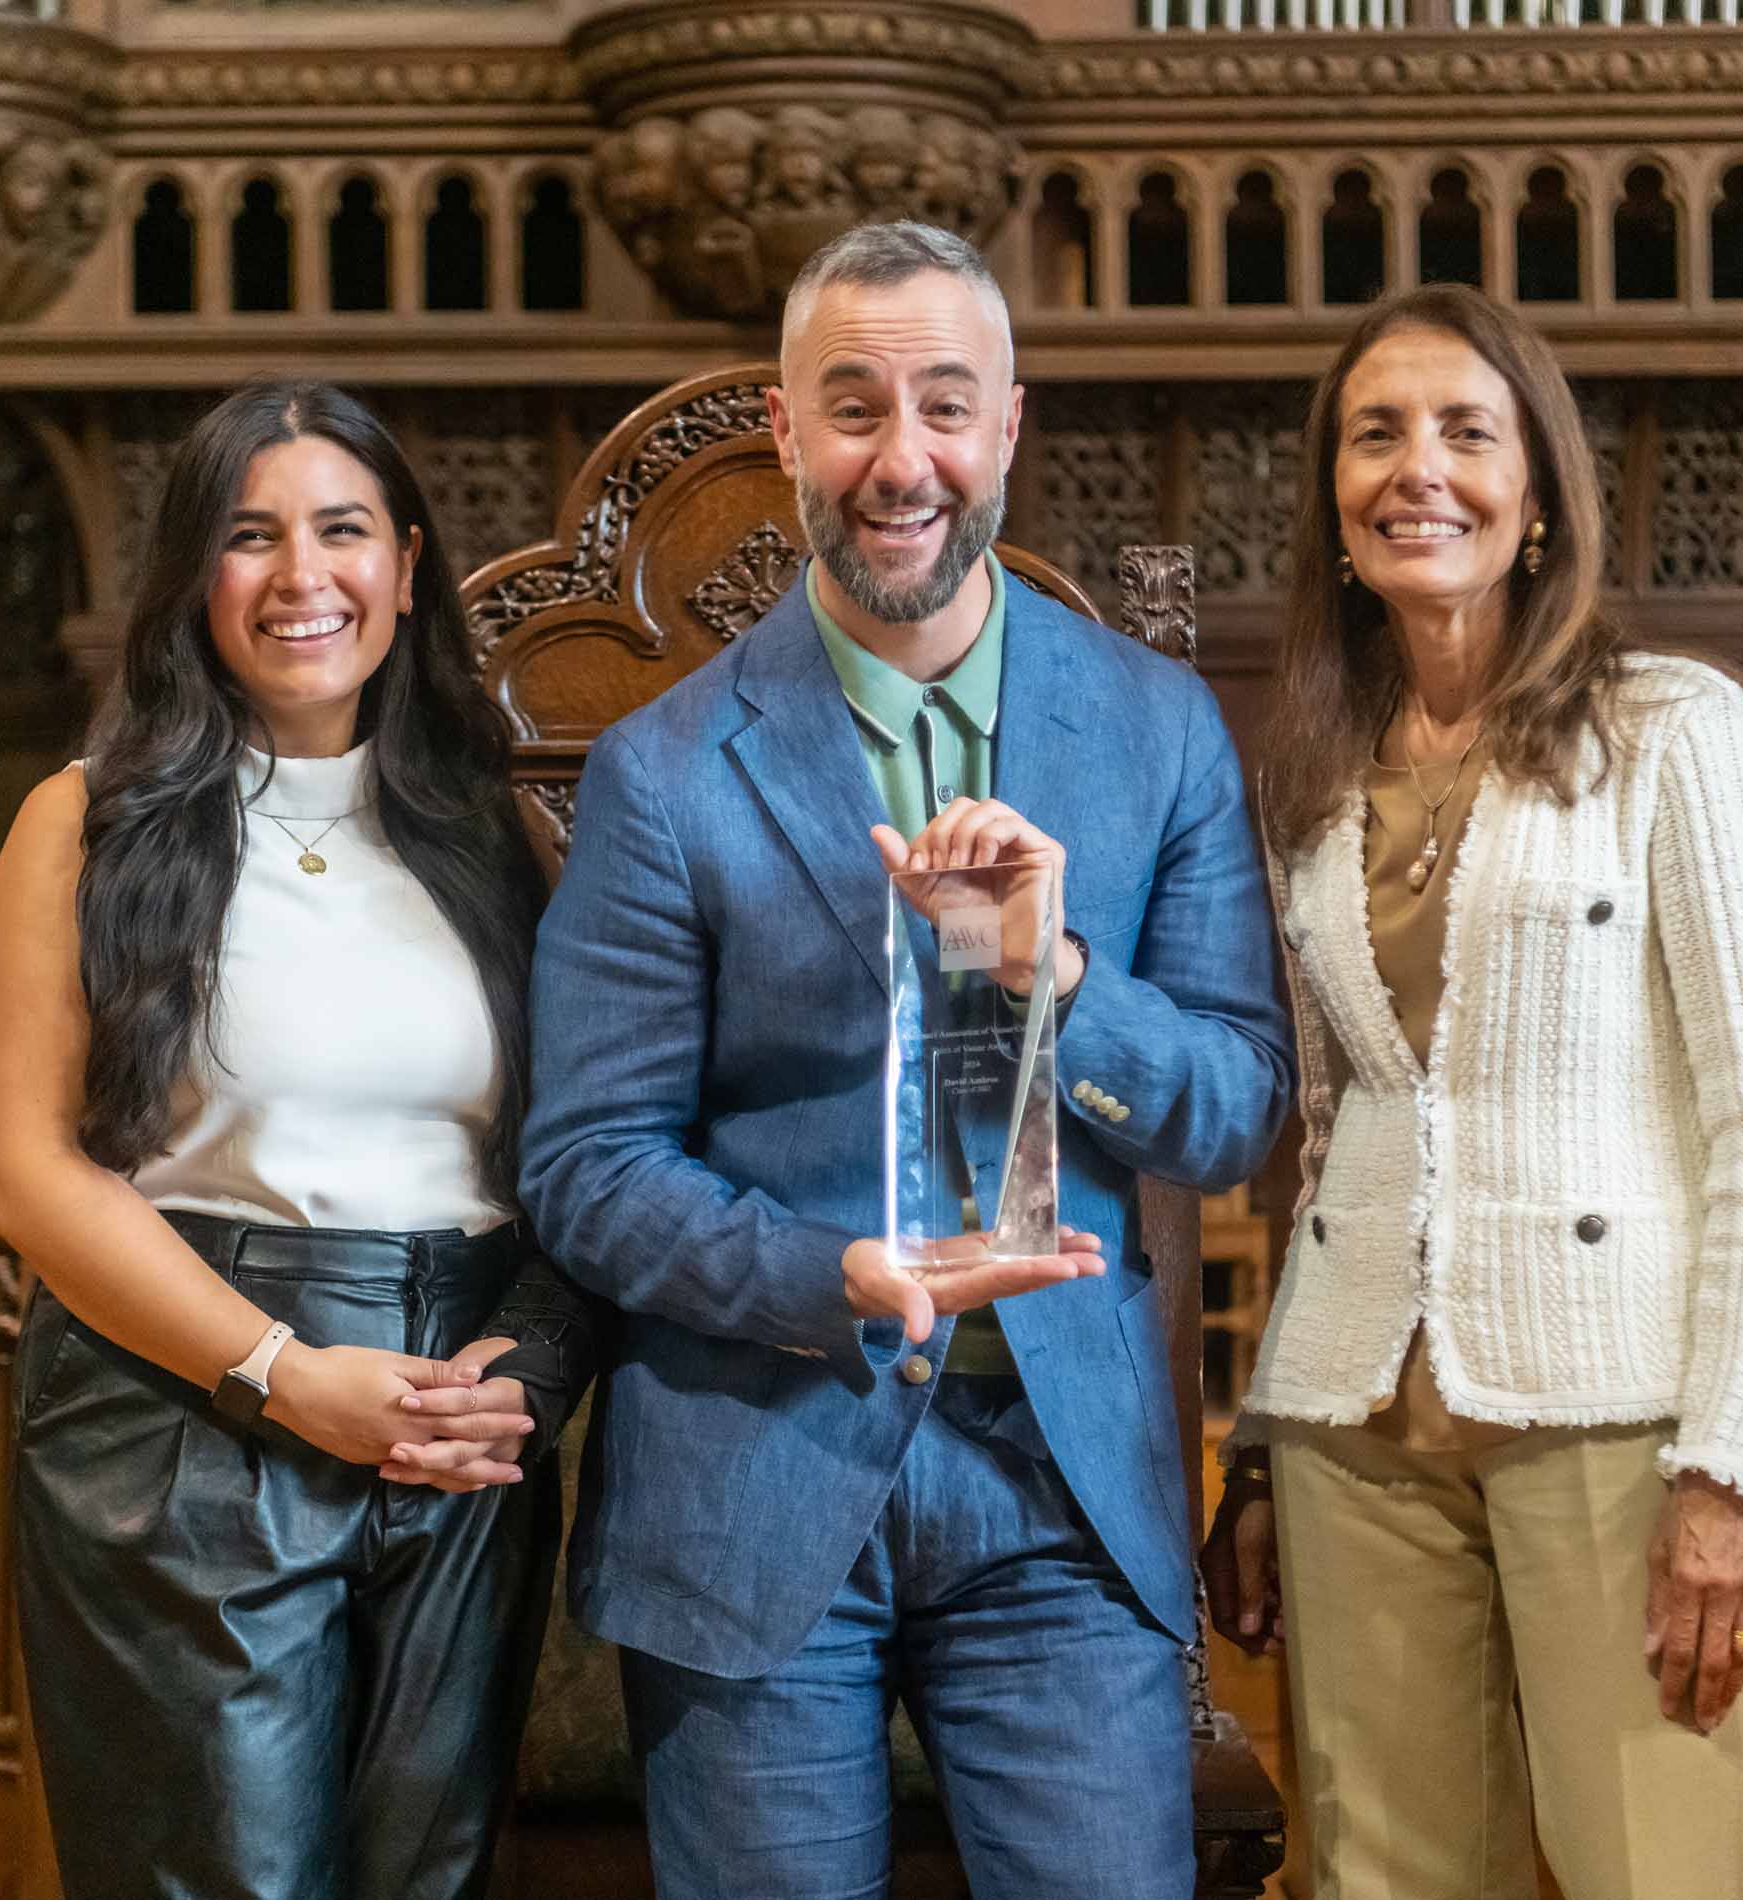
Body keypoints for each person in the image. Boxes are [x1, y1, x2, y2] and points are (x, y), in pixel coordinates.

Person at [490, 221, 1295, 1899]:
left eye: (945, 403)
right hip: (755, 1462)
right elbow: (589, 1166)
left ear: (1009, 425)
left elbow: (1233, 1112)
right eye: (853, 406)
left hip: (1060, 1485)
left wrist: (1058, 970)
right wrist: (825, 1274)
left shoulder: (1155, 728)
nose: (901, 456)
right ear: (788, 434)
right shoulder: (663, 772)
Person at [1201, 284, 1743, 1900]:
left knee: (1661, 1874)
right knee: (1384, 1879)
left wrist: (1726, 1477)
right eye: (1376, 434)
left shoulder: (1668, 727)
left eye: (1467, 431)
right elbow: (1329, 1137)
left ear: (1540, 492)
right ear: (1334, 502)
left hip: (1614, 1422)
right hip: (1362, 1430)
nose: (1420, 469)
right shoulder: (1317, 773)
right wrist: (1269, 1449)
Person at [0, 381, 573, 1900]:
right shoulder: (88, 822)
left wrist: (521, 1373)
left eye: (343, 530)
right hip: (181, 1414)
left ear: (408, 565)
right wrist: (286, 1377)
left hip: (448, 1424)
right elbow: (28, 1172)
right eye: (252, 537)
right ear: (194, 580)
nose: (305, 576)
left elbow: (577, 1146)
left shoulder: (489, 828)